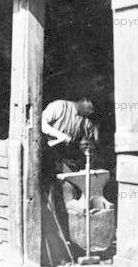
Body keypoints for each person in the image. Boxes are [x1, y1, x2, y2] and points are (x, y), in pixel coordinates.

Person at [41, 97, 99, 255]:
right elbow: (41, 123)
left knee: (69, 196)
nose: (90, 114)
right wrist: (60, 135)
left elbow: (89, 140)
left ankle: (70, 238)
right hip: (46, 155)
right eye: (89, 109)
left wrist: (87, 145)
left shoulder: (85, 121)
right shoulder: (59, 107)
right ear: (83, 102)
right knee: (50, 195)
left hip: (66, 159)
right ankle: (53, 240)